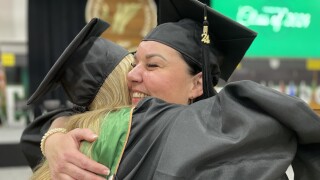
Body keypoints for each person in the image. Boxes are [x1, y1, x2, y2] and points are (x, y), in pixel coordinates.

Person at [21, 0, 320, 179]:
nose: (132, 76)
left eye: (152, 66)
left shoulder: (237, 134)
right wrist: (56, 138)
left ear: (196, 83)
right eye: (133, 63)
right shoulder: (116, 124)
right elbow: (41, 130)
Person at [28, 18, 134, 179]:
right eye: (132, 68)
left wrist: (53, 136)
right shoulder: (124, 129)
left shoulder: (74, 132)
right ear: (119, 84)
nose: (137, 75)